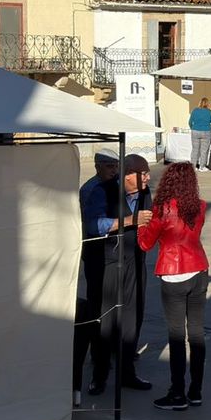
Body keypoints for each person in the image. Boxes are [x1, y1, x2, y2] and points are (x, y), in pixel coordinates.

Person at [137, 161, 209, 411]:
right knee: (197, 332)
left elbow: (145, 244)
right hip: (199, 269)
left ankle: (177, 393)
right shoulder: (200, 206)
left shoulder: (162, 209)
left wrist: (141, 225)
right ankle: (196, 390)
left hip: (173, 273)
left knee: (177, 335)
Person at [81, 153, 154, 397]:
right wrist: (130, 220)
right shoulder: (101, 191)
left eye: (147, 173)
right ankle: (99, 375)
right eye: (143, 173)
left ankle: (127, 373)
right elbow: (94, 226)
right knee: (104, 321)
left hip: (135, 262)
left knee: (132, 318)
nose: (148, 178)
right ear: (128, 175)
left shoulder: (144, 193)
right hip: (107, 263)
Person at [73, 152, 119, 404]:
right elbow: (93, 226)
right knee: (97, 309)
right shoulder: (92, 189)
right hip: (96, 255)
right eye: (109, 166)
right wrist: (123, 222)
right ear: (98, 166)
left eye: (116, 166)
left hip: (110, 256)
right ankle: (98, 361)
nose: (114, 170)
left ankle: (109, 352)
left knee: (111, 307)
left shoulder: (113, 184)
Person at [188, 98, 211, 171]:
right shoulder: (209, 111)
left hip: (195, 131)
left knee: (195, 150)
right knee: (204, 150)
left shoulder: (195, 110)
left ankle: (193, 167)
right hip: (206, 132)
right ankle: (202, 167)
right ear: (207, 104)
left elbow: (190, 122)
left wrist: (192, 128)